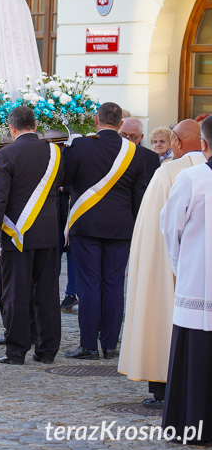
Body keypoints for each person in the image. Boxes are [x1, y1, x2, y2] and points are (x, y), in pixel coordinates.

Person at [118, 119, 205, 408]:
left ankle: (162, 385)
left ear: (177, 143)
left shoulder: (169, 173)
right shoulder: (203, 171)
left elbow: (158, 230)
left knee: (162, 317)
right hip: (204, 266)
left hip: (175, 262)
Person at [62, 102, 148, 360]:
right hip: (121, 228)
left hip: (86, 225)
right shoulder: (135, 152)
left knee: (89, 285)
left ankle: (88, 345)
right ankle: (110, 345)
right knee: (113, 286)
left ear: (96, 121)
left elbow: (64, 180)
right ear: (121, 124)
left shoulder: (79, 146)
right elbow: (138, 196)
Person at [0, 106, 63, 365]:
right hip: (48, 232)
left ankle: (16, 351)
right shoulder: (55, 152)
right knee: (48, 293)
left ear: (12, 128)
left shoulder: (5, 154)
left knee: (15, 293)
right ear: (36, 125)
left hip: (15, 234)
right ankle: (47, 350)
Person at [159, 115, 212, 444]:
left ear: (203, 145)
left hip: (198, 284)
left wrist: (181, 267)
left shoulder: (192, 178)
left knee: (194, 359)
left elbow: (170, 229)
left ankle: (192, 427)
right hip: (197, 283)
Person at [120, 117, 160, 185]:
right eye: (123, 135)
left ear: (141, 137)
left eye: (132, 136)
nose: (127, 140)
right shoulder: (109, 152)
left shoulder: (151, 158)